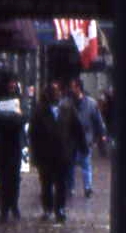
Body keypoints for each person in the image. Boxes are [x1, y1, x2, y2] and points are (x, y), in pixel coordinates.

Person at [29, 81, 85, 223]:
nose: (56, 94)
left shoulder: (67, 107)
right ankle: (47, 209)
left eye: (57, 91)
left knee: (61, 184)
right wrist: (34, 154)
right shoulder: (40, 110)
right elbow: (33, 134)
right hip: (45, 155)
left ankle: (59, 209)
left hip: (63, 153)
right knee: (46, 183)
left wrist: (81, 147)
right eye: (53, 91)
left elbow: (77, 128)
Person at [0, 75, 26, 222]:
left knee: (14, 178)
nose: (12, 86)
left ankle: (14, 205)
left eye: (13, 84)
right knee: (4, 178)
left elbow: (24, 117)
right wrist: (14, 117)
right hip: (2, 145)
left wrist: (14, 118)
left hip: (15, 144)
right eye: (10, 83)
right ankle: (4, 208)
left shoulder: (19, 99)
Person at [65, 79, 107, 199]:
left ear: (79, 88)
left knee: (86, 164)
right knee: (70, 165)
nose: (71, 89)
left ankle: (87, 187)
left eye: (73, 87)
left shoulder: (91, 103)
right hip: (71, 139)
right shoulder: (67, 103)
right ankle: (70, 187)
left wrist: (102, 134)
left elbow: (98, 120)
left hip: (85, 139)